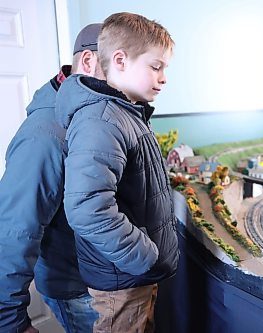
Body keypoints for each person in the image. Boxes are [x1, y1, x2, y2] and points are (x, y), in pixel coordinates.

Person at [55, 12, 179, 333]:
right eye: (156, 66)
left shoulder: (124, 113)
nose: (164, 78)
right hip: (123, 279)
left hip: (133, 275)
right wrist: (144, 255)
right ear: (120, 60)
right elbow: (87, 210)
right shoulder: (102, 119)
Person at [0, 24, 102, 333]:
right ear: (88, 62)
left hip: (96, 280)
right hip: (76, 289)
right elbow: (15, 230)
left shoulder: (89, 116)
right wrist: (9, 320)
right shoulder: (44, 136)